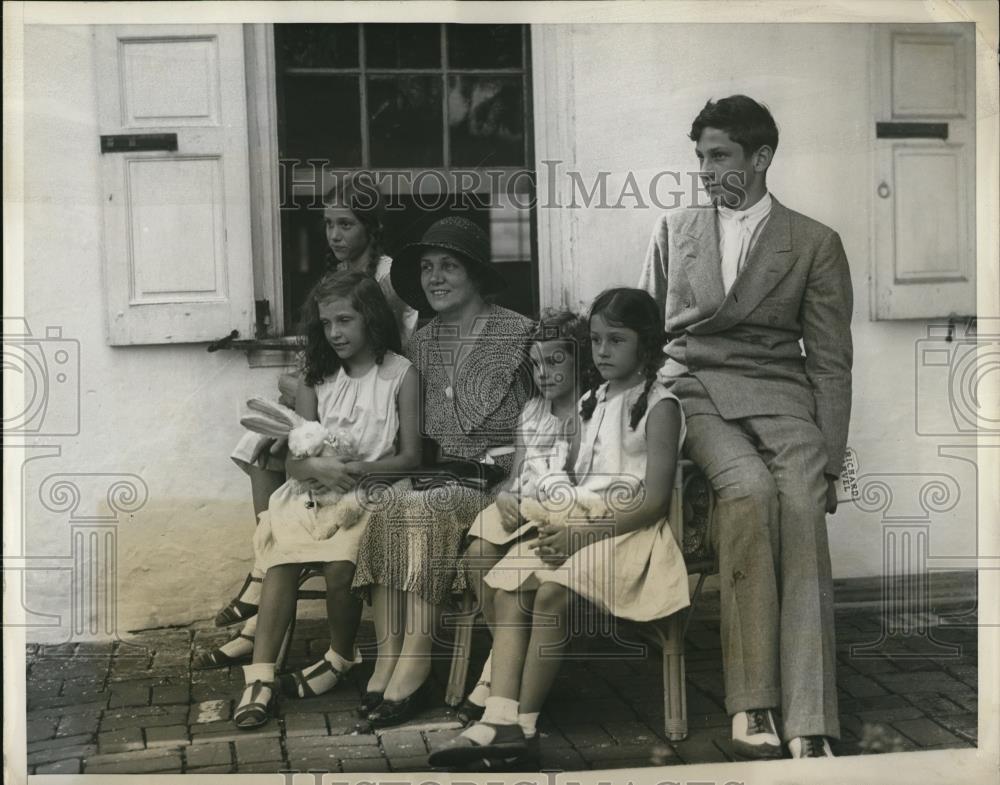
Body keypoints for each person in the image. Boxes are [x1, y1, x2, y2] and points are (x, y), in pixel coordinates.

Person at [637, 95, 853, 759]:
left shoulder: (813, 242)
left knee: (801, 504)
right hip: (695, 388)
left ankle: (811, 717)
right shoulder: (675, 228)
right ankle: (752, 701)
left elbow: (830, 361)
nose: (706, 171)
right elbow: (646, 333)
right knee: (749, 492)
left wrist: (830, 460)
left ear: (760, 158)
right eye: (700, 157)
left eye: (720, 156)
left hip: (781, 395)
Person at [429, 288, 688, 768]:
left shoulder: (661, 405)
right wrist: (540, 513)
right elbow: (569, 479)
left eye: (617, 340)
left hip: (629, 535)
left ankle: (524, 727)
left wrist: (581, 535)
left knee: (549, 594)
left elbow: (653, 503)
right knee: (507, 583)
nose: (603, 351)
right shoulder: (592, 400)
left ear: (647, 344)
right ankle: (500, 718)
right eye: (596, 340)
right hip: (580, 522)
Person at [196, 175, 417, 669]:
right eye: (328, 224)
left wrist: (313, 390)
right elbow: (320, 351)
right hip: (331, 397)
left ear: (370, 226)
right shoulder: (332, 278)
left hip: (369, 405)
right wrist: (300, 386)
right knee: (259, 446)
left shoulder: (388, 277)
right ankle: (267, 566)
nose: (334, 235)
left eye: (345, 224)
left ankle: (264, 586)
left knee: (276, 446)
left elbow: (394, 346)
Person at [351, 216, 534, 728]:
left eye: (448, 266)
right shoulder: (423, 343)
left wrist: (519, 479)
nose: (435, 278)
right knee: (392, 504)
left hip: (503, 479)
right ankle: (388, 662)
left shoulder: (519, 334)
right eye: (427, 268)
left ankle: (417, 662)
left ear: (475, 274)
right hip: (445, 475)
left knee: (428, 507)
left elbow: (546, 422)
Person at [233, 269, 421, 729]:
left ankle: (341, 654)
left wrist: (354, 469)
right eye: (326, 323)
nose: (335, 332)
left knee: (341, 568)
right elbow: (294, 459)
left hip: (372, 491)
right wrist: (318, 469)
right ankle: (260, 676)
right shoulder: (317, 376)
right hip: (314, 490)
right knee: (282, 561)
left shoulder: (400, 374)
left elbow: (411, 457)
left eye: (345, 320)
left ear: (370, 318)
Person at [456, 309, 590, 725]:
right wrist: (504, 498)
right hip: (522, 509)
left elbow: (580, 483)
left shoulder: (588, 413)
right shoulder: (531, 412)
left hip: (556, 515)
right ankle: (503, 659)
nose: (543, 373)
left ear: (579, 359)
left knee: (514, 562)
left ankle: (495, 677)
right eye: (535, 364)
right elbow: (514, 477)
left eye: (554, 361)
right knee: (478, 552)